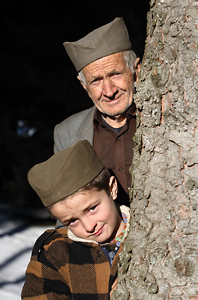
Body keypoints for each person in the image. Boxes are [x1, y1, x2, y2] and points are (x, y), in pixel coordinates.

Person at [21, 140, 130, 300]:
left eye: (92, 208)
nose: (89, 226)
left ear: (111, 188)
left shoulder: (152, 235)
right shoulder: (55, 253)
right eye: (72, 221)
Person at [54, 17, 141, 212]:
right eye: (96, 81)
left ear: (136, 70)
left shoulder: (167, 118)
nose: (109, 91)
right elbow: (66, 208)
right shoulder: (66, 133)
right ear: (84, 85)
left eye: (115, 74)